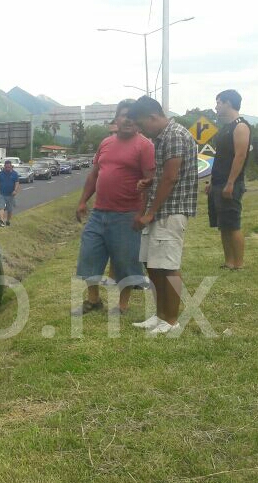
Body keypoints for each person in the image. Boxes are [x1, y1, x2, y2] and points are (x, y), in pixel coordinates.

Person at [74, 99, 155, 315]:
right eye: (123, 115)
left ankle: (122, 305)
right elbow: (94, 175)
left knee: (124, 260)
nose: (128, 119)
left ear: (137, 120)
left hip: (127, 215)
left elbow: (149, 182)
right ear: (116, 119)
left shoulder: (145, 146)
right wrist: (83, 201)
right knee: (89, 254)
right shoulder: (106, 143)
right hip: (99, 212)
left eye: (132, 116)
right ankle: (93, 300)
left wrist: (142, 213)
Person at [127, 96, 199, 336]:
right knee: (153, 265)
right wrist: (150, 181)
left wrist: (150, 213)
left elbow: (171, 178)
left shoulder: (174, 135)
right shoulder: (161, 138)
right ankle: (159, 316)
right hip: (160, 211)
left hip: (170, 211)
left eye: (142, 125)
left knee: (168, 267)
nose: (142, 130)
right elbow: (164, 175)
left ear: (153, 117)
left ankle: (171, 320)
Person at [208, 89, 252, 270]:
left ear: (228, 103)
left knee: (233, 224)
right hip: (218, 182)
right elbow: (221, 157)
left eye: (219, 102)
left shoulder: (240, 126)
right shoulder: (225, 127)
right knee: (223, 224)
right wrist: (212, 182)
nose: (216, 106)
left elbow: (239, 156)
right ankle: (229, 261)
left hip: (231, 183)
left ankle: (239, 263)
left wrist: (231, 182)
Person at [0, 160, 20, 227]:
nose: (8, 168)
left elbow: (17, 183)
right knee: (1, 207)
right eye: (6, 167)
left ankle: (8, 221)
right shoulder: (0, 174)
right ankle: (1, 221)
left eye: (9, 167)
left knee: (9, 210)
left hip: (10, 195)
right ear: (4, 166)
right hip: (1, 194)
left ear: (11, 166)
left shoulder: (15, 174)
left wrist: (15, 190)